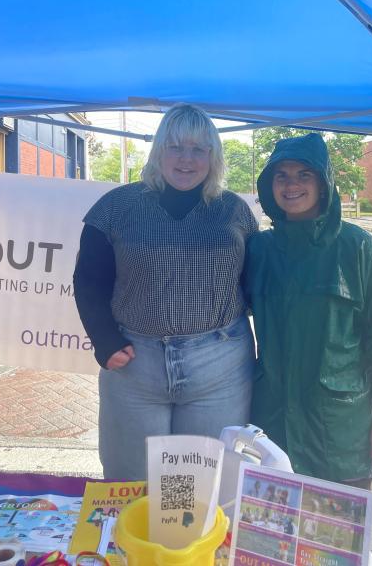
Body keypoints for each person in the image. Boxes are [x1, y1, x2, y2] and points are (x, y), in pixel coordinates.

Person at [73, 104, 258, 480]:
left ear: (213, 156)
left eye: (198, 149)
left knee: (201, 487)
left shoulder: (234, 212)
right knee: (129, 483)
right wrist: (104, 339)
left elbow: (255, 283)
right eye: (175, 147)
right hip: (135, 364)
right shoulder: (115, 208)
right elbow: (88, 281)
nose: (186, 160)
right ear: (158, 151)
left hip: (219, 365)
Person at [244, 133, 372, 488]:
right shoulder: (259, 250)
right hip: (272, 424)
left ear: (324, 184)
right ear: (269, 185)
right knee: (270, 536)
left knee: (336, 537)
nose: (291, 185)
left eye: (303, 175)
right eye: (282, 176)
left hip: (340, 434)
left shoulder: (358, 250)